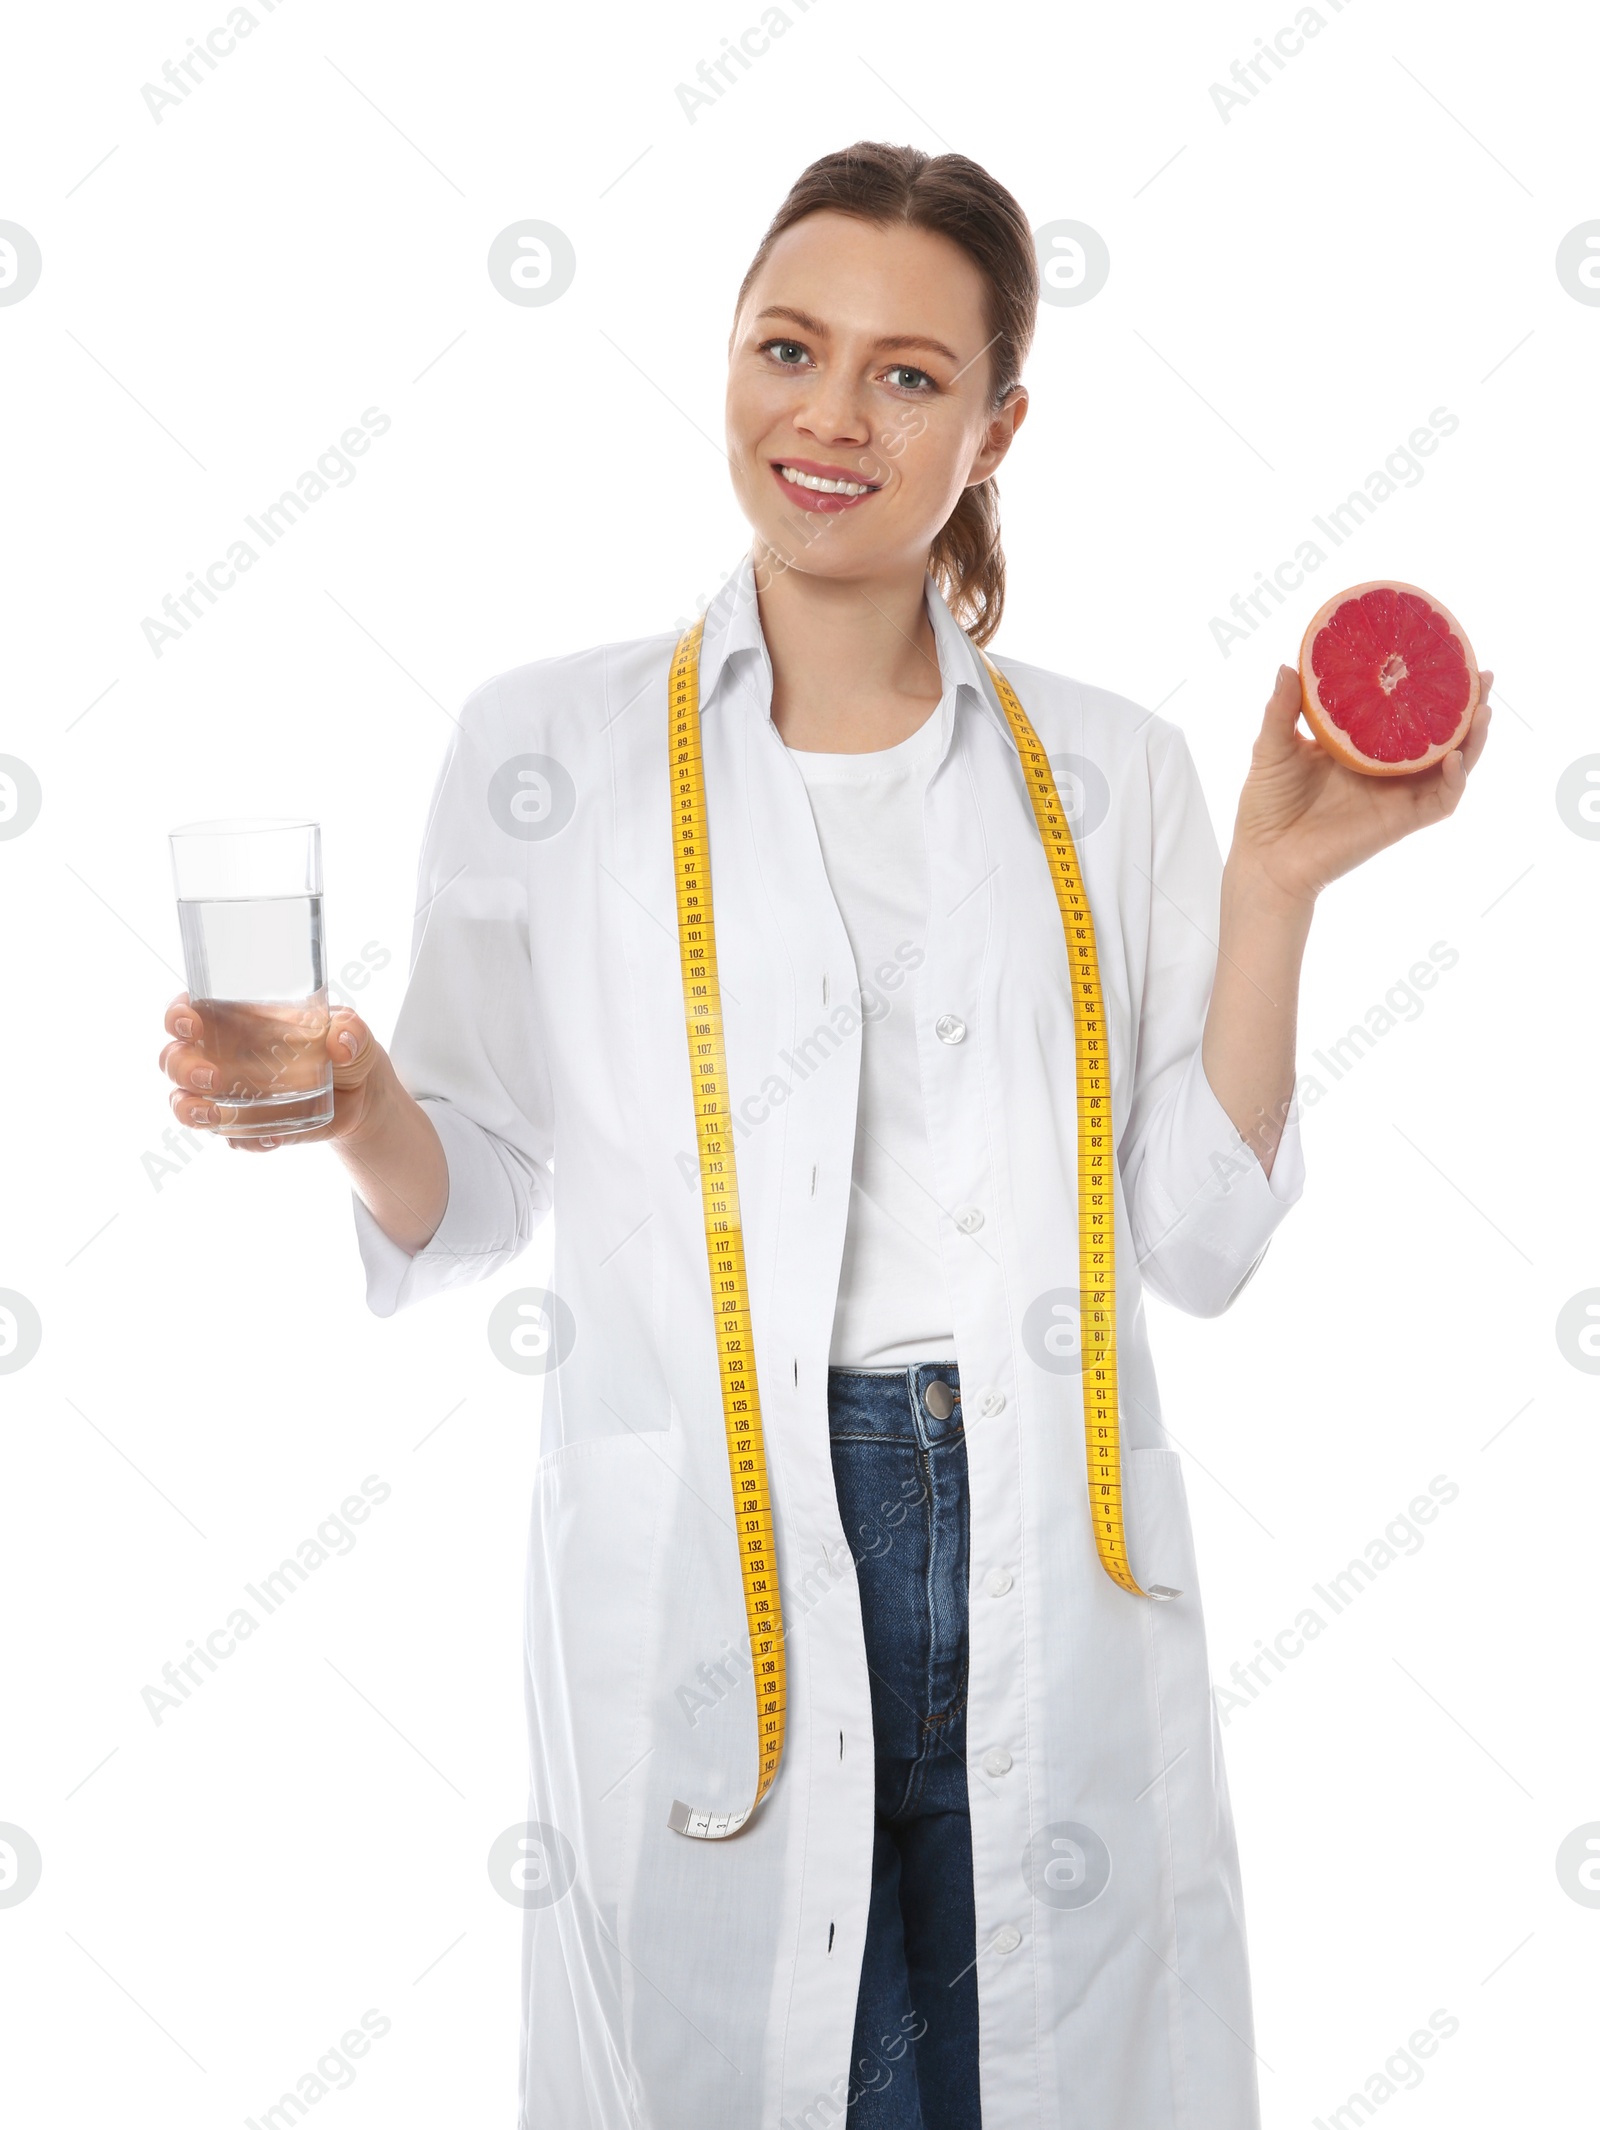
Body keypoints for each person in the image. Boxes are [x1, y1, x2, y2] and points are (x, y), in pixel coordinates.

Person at [160, 141, 1490, 2130]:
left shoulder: (1101, 773)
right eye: (788, 348)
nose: (829, 415)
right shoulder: (554, 750)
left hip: (1040, 1520)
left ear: (994, 425)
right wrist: (363, 1102)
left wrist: (1279, 887)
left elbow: (1196, 1245)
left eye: (907, 376)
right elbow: (475, 1198)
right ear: (724, 361)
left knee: (1035, 2067)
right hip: (736, 1541)